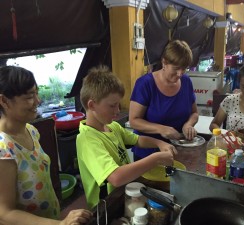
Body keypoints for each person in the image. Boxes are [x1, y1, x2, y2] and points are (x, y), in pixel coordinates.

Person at [0, 66, 92, 225]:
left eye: (36, 93)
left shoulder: (30, 130)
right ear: (4, 101)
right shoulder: (4, 149)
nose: (38, 101)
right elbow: (4, 213)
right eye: (29, 96)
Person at [76, 65, 176, 210]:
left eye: (118, 105)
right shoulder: (87, 139)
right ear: (92, 105)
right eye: (112, 106)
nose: (117, 111)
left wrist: (159, 143)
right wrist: (156, 159)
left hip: (124, 195)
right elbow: (116, 178)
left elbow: (138, 140)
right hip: (106, 206)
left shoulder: (112, 127)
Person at [129, 40, 199, 160]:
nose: (180, 73)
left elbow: (194, 113)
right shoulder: (145, 84)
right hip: (149, 154)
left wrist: (188, 124)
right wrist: (161, 129)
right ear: (164, 62)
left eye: (184, 68)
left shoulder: (186, 82)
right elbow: (134, 121)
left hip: (177, 150)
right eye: (176, 68)